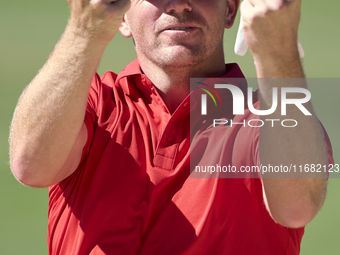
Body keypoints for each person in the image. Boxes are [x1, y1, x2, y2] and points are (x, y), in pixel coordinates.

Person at [9, 0, 333, 254]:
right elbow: (30, 166)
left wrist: (278, 55)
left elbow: (297, 206)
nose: (179, 4)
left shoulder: (272, 120)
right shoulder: (89, 104)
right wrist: (83, 33)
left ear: (231, 9)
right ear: (122, 15)